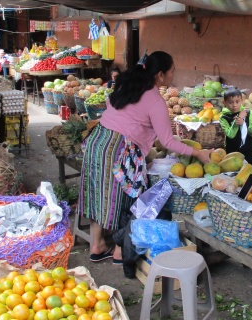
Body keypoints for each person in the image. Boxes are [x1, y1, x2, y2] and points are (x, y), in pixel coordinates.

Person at [78, 51, 212, 266]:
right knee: (128, 198)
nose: (173, 74)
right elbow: (167, 141)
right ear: (160, 74)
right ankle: (120, 251)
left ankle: (98, 245)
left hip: (98, 141)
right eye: (172, 70)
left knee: (97, 193)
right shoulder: (155, 100)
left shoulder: (127, 84)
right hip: (118, 149)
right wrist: (198, 153)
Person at [219, 88, 252, 167]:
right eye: (230, 102)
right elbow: (230, 135)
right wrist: (236, 124)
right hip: (232, 152)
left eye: (237, 101)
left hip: (248, 151)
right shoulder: (224, 117)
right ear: (224, 102)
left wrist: (244, 124)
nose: (234, 105)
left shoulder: (249, 113)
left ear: (242, 101)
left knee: (249, 174)